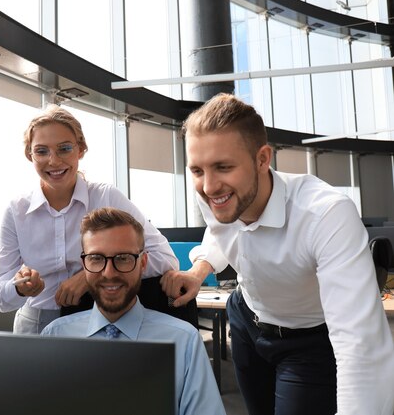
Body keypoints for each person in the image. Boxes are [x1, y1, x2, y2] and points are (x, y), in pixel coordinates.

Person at [161, 93, 394, 415]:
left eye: (223, 167)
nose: (209, 186)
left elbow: (360, 345)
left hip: (308, 340)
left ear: (262, 158)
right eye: (197, 170)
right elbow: (220, 232)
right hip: (246, 321)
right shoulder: (216, 193)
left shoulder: (325, 214)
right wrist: (198, 271)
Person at [0, 105, 180, 334]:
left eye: (64, 148)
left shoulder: (106, 197)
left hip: (96, 320)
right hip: (35, 324)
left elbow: (165, 257)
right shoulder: (16, 211)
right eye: (41, 151)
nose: (53, 161)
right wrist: (21, 288)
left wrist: (89, 277)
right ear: (29, 155)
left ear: (80, 149)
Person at [42, 207, 225, 415]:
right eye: (96, 258)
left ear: (143, 263)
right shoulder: (55, 337)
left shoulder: (184, 342)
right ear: (84, 265)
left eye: (122, 258)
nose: (109, 273)